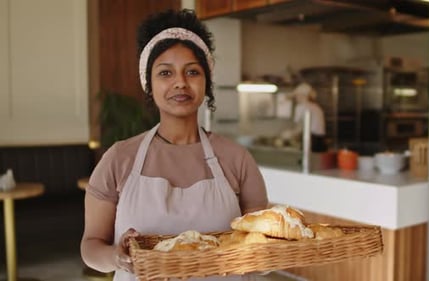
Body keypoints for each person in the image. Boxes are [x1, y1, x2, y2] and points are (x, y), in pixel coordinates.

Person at [80, 9, 269, 281]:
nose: (180, 82)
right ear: (149, 84)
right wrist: (116, 257)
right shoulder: (120, 158)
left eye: (192, 71)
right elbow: (91, 245)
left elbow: (261, 248)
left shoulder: (236, 159)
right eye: (165, 73)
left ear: (206, 82)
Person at [281, 82, 327, 152]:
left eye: (296, 95)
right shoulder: (317, 107)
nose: (296, 98)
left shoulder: (301, 107)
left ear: (302, 95)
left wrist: (288, 134)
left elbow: (299, 128)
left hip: (310, 142)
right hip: (321, 142)